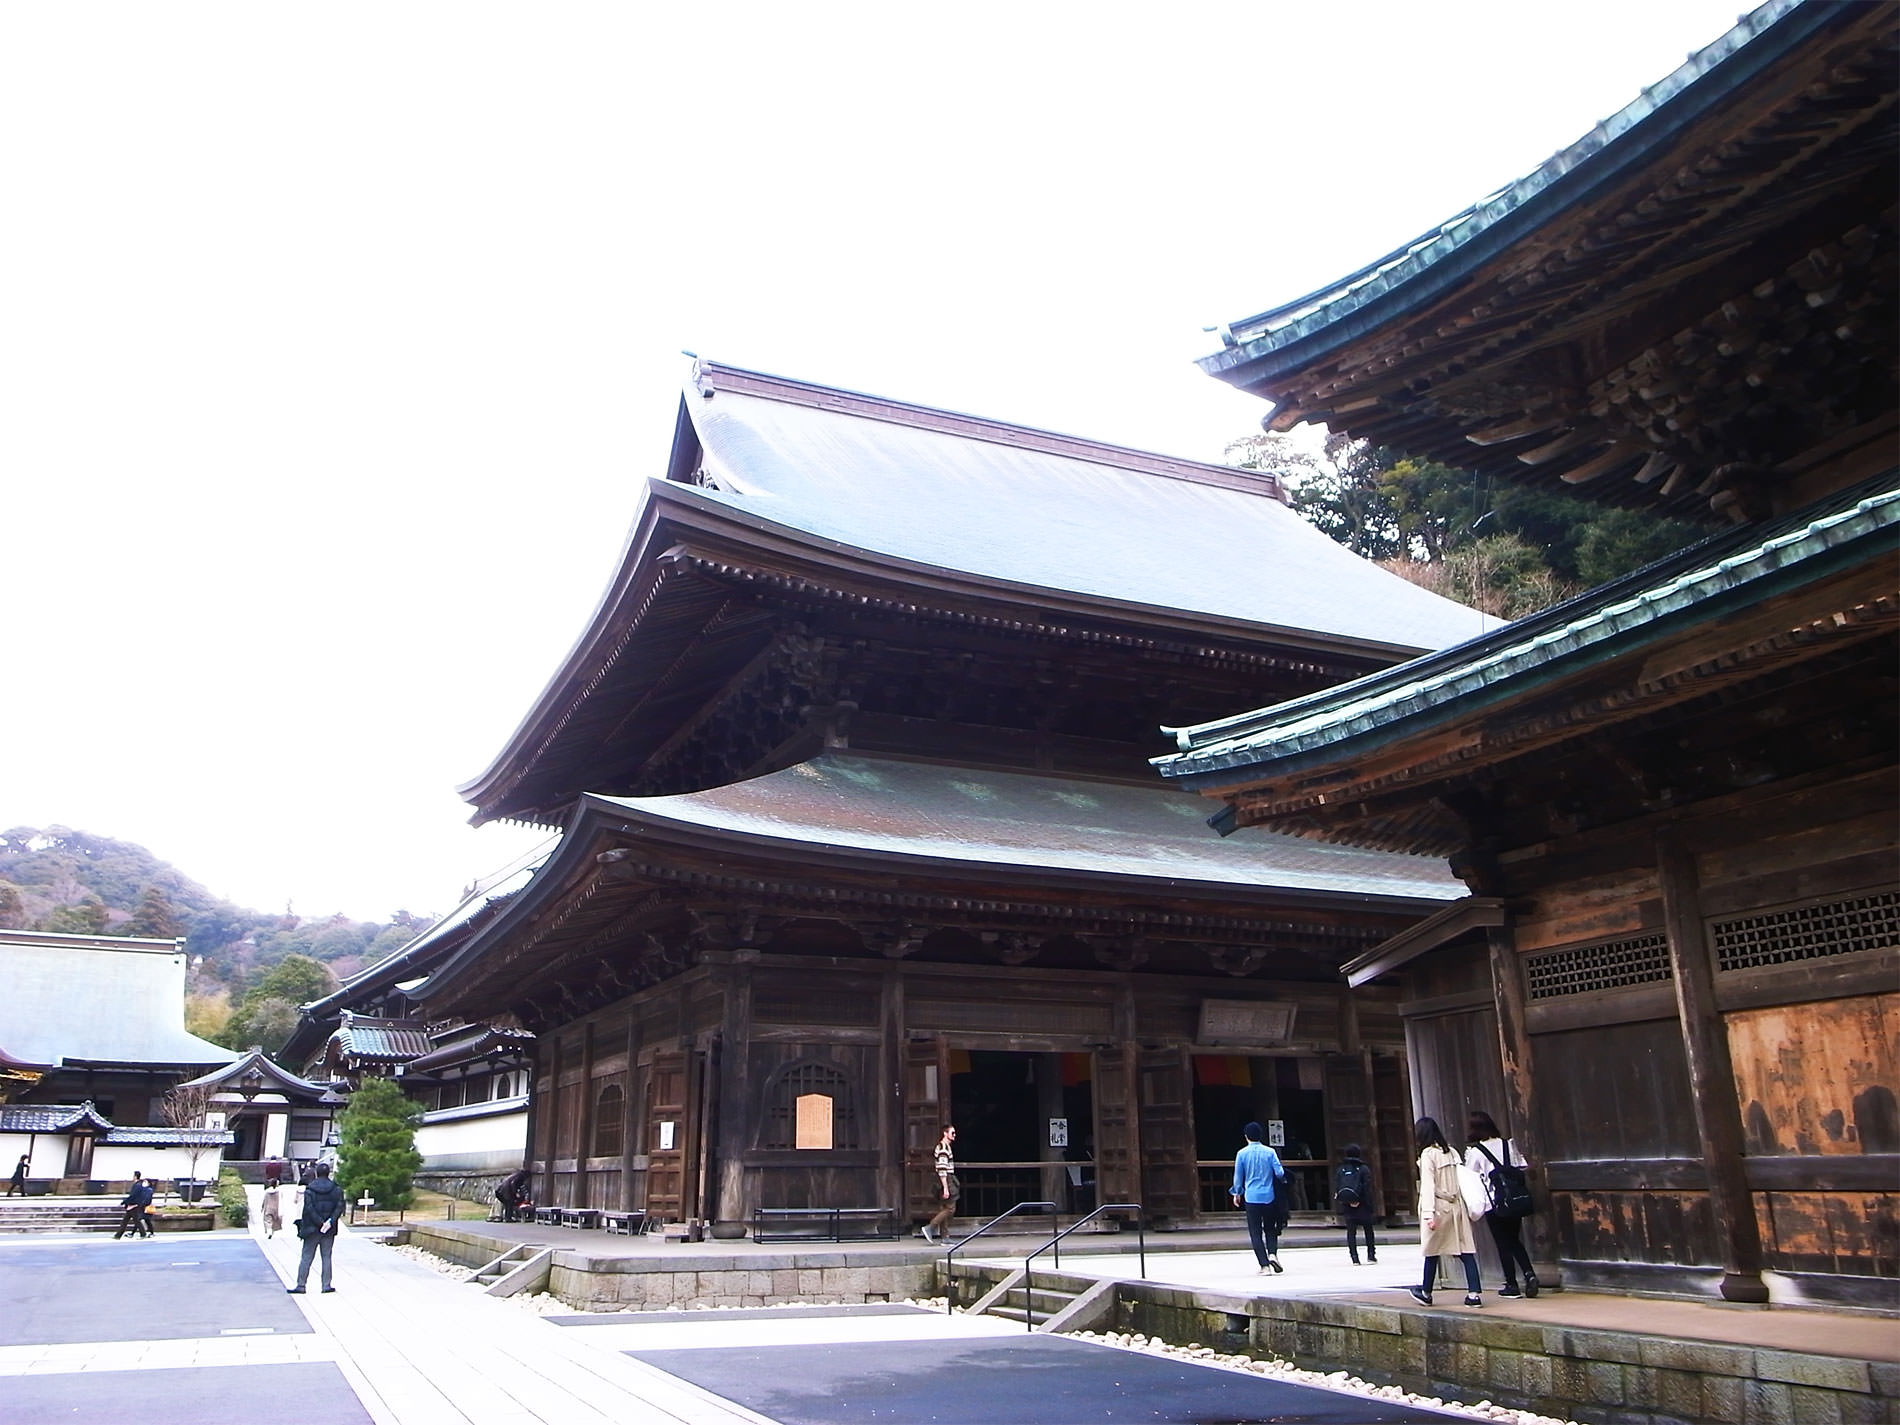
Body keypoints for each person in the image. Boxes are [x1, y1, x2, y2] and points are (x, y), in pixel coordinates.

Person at [1410, 1116, 1482, 1307]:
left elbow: (1428, 1185)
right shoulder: (1451, 1151)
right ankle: (1474, 1293)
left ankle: (1426, 1291)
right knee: (1465, 1250)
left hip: (1439, 1205)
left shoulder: (1427, 1155)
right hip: (1456, 1205)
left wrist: (1428, 1214)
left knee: (1432, 1250)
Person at [1466, 1110, 1538, 1298]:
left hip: (1494, 1203)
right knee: (1515, 1240)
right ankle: (1529, 1274)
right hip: (1514, 1200)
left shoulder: (1476, 1152)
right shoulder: (1508, 1144)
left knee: (1502, 1243)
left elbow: (1470, 1176)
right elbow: (1521, 1165)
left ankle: (1512, 1285)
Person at [1230, 1121, 1286, 1274]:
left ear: (1246, 1136)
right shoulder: (1270, 1152)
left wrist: (1237, 1193)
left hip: (1251, 1197)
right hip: (1269, 1196)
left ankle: (1264, 1266)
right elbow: (1280, 1173)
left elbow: (1238, 1177)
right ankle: (1273, 1254)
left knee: (1255, 1232)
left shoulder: (1241, 1154)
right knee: (1270, 1228)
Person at [288, 1161, 344, 1294]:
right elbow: (339, 1206)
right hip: (329, 1229)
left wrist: (319, 1222)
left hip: (312, 1228)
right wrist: (329, 1222)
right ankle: (326, 1285)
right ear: (328, 1173)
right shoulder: (336, 1189)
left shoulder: (310, 1189)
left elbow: (309, 1208)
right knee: (326, 1257)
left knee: (306, 1257)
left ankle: (301, 1285)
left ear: (316, 1173)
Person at [1334, 1142, 1377, 1265]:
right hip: (1362, 1204)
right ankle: (1371, 1255)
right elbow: (1367, 1187)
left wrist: (1346, 1201)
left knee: (1351, 1231)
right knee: (1368, 1229)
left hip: (1347, 1204)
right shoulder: (1363, 1169)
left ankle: (1354, 1257)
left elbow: (1338, 1186)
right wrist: (1364, 1202)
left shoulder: (1341, 1169)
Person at [920, 1125, 959, 1244]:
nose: (954, 1135)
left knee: (944, 1207)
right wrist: (946, 1187)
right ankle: (931, 1227)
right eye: (952, 1133)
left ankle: (944, 1236)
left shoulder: (946, 1147)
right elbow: (942, 1169)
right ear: (945, 1133)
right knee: (950, 1208)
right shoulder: (943, 1149)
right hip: (946, 1178)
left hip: (945, 1178)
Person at [114, 1171, 154, 1239]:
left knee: (135, 1221)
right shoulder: (138, 1185)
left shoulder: (137, 1185)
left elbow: (133, 1196)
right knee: (127, 1221)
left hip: (133, 1206)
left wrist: (124, 1202)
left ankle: (143, 1234)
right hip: (132, 1205)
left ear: (135, 1176)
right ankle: (118, 1235)